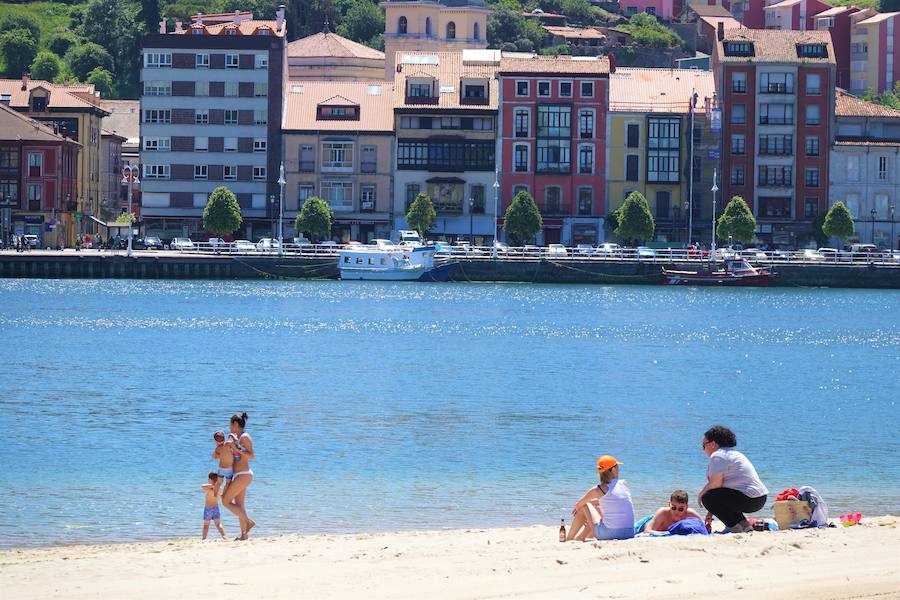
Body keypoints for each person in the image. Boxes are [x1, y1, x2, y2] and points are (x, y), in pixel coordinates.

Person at [699, 425, 768, 533]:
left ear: (712, 444)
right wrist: (711, 511)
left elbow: (715, 485)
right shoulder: (733, 453)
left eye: (703, 445)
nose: (703, 449)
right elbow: (721, 492)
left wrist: (701, 494)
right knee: (711, 495)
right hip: (759, 498)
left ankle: (733, 527)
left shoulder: (718, 455)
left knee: (706, 496)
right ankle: (744, 526)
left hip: (749, 498)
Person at [566, 455, 635, 542]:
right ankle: (581, 537)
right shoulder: (623, 483)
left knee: (585, 505)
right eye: (617, 467)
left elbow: (578, 504)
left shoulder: (599, 489)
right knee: (596, 505)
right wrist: (594, 504)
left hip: (610, 534)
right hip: (629, 533)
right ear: (613, 470)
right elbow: (612, 500)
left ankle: (569, 538)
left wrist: (583, 512)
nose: (618, 470)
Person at [222, 412, 256, 540]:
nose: (229, 428)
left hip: (244, 474)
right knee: (239, 505)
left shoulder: (245, 437)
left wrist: (236, 447)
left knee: (225, 501)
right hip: (238, 475)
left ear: (235, 424)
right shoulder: (235, 438)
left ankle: (249, 521)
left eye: (230, 425)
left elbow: (252, 456)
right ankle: (244, 535)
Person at [639, 490, 703, 533]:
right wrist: (668, 533)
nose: (676, 512)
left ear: (686, 507)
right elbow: (647, 530)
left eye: (680, 509)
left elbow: (704, 528)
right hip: (646, 523)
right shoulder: (662, 513)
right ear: (669, 504)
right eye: (673, 508)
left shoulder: (691, 514)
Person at [201, 471, 227, 540]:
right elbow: (221, 493)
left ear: (210, 480)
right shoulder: (219, 489)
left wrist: (212, 486)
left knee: (206, 525)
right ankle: (224, 536)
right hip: (216, 508)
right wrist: (214, 486)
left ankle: (204, 538)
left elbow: (202, 486)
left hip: (208, 508)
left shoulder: (209, 489)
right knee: (218, 524)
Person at [211, 430, 234, 494]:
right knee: (228, 483)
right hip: (229, 469)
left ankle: (215, 496)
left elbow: (214, 457)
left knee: (218, 483)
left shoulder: (217, 449)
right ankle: (224, 495)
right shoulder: (228, 444)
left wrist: (216, 451)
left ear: (215, 441)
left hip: (221, 469)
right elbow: (235, 443)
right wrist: (232, 436)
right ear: (224, 438)